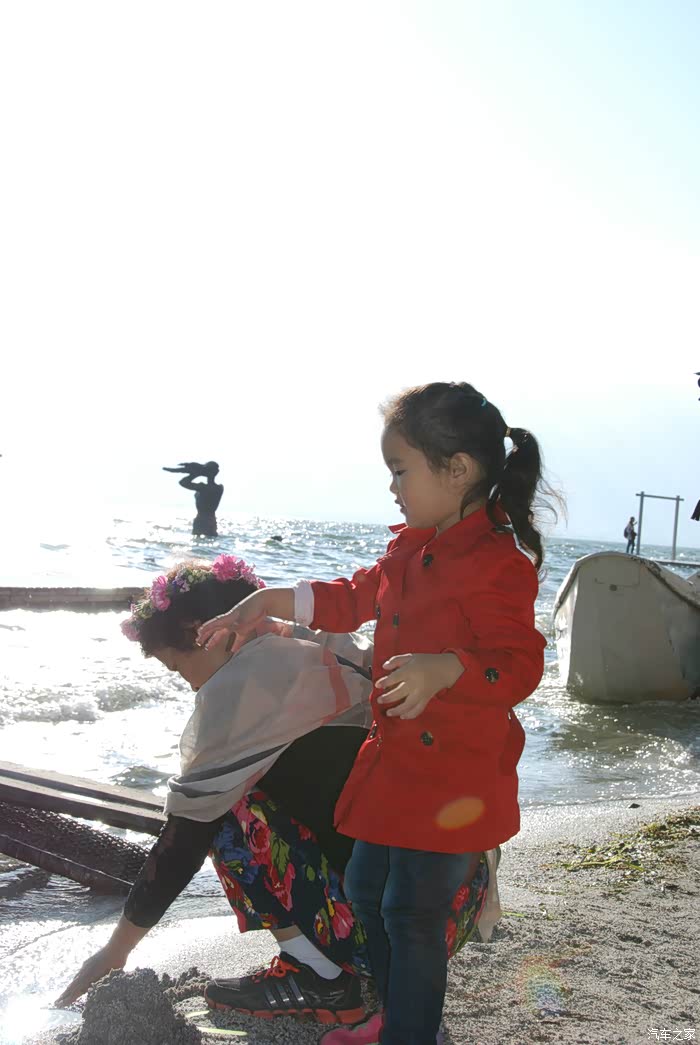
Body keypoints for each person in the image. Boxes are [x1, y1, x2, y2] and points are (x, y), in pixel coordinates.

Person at [198, 382, 552, 1045]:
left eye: (400, 470)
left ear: (458, 469)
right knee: (366, 890)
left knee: (411, 913)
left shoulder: (496, 563)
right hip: (394, 770)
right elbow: (355, 596)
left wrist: (448, 667)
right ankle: (395, 1015)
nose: (392, 488)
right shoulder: (410, 546)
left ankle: (410, 1033)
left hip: (455, 779)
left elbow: (520, 662)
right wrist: (269, 600)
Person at [55, 553, 498, 1025]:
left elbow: (184, 839)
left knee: (226, 808)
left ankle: (320, 977)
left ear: (205, 632)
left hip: (392, 929)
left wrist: (115, 951)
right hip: (453, 909)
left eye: (178, 667)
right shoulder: (313, 643)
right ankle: (337, 962)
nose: (188, 685)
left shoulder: (242, 690)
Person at [163, 461, 224, 536]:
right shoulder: (219, 488)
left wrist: (196, 473)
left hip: (201, 521)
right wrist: (200, 471)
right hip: (211, 521)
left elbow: (183, 482)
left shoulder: (203, 487)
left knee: (201, 540)